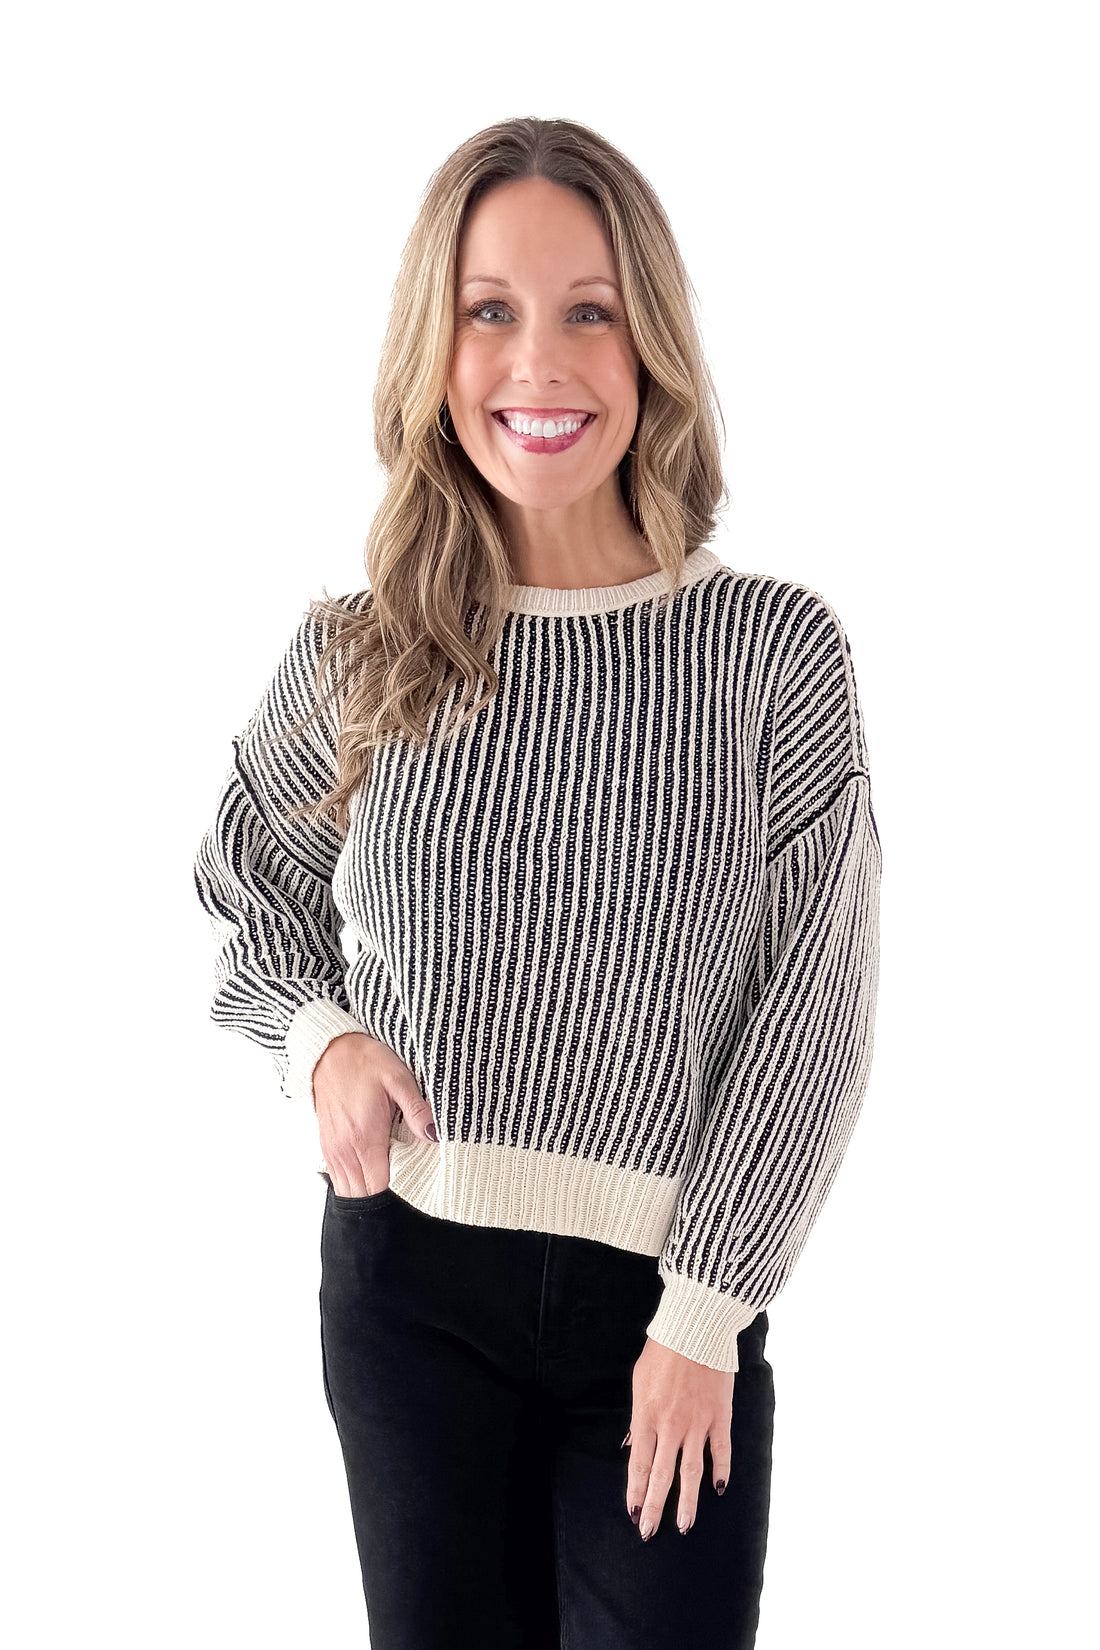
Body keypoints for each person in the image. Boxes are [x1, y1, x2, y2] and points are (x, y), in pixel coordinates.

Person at [193, 115, 882, 1650]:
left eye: (589, 309)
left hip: (668, 1300)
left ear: (653, 341)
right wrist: (323, 1041)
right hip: (410, 1290)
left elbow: (814, 1012)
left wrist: (704, 1314)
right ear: (435, 348)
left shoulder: (770, 657)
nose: (539, 361)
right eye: (490, 310)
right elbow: (249, 880)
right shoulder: (361, 652)